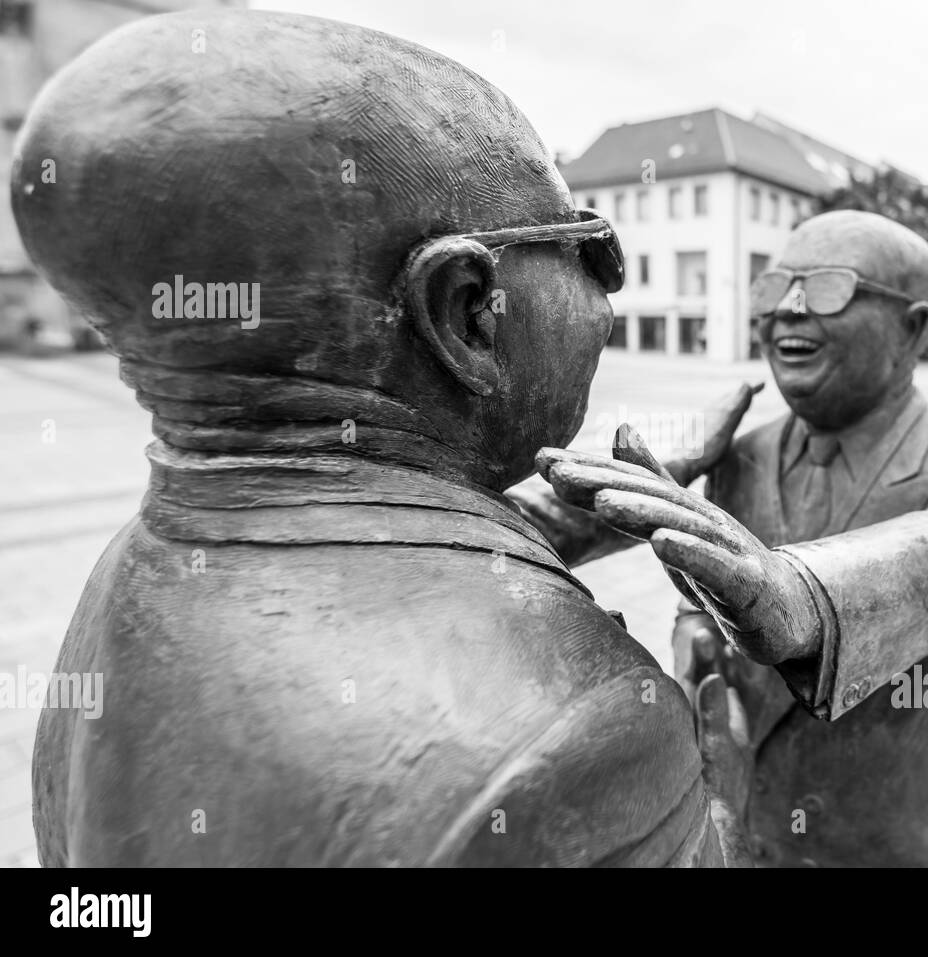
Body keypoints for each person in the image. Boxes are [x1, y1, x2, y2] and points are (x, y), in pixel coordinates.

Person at [14, 9, 750, 867]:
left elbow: (387, 559)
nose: (606, 303)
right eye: (593, 254)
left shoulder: (139, 569)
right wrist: (721, 771)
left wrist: (625, 510)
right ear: (467, 309)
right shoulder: (586, 730)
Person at [540, 210, 928, 867]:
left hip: (911, 846)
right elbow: (700, 606)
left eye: (826, 289)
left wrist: (798, 596)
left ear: (914, 328)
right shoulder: (739, 456)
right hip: (754, 828)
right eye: (772, 290)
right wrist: (700, 655)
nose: (788, 312)